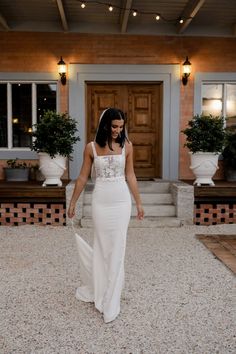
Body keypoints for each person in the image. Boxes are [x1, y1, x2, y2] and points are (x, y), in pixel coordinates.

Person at [68, 107, 144, 323]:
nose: (118, 131)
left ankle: (112, 298)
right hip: (101, 200)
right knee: (102, 246)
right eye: (114, 126)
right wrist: (73, 202)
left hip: (121, 200)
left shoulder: (127, 146)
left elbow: (130, 175)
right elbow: (83, 177)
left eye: (121, 127)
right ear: (105, 125)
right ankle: (100, 289)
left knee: (118, 246)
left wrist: (138, 202)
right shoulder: (91, 148)